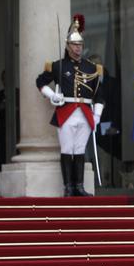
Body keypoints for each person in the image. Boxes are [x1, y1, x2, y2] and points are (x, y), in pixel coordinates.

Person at [36, 14, 104, 197]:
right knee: (67, 149)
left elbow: (99, 94)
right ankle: (68, 187)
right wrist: (52, 95)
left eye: (80, 44)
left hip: (86, 113)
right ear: (67, 46)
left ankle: (79, 187)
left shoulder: (91, 68)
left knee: (80, 150)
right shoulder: (58, 66)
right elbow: (40, 81)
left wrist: (97, 115)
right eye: (74, 44)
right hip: (66, 112)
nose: (78, 48)